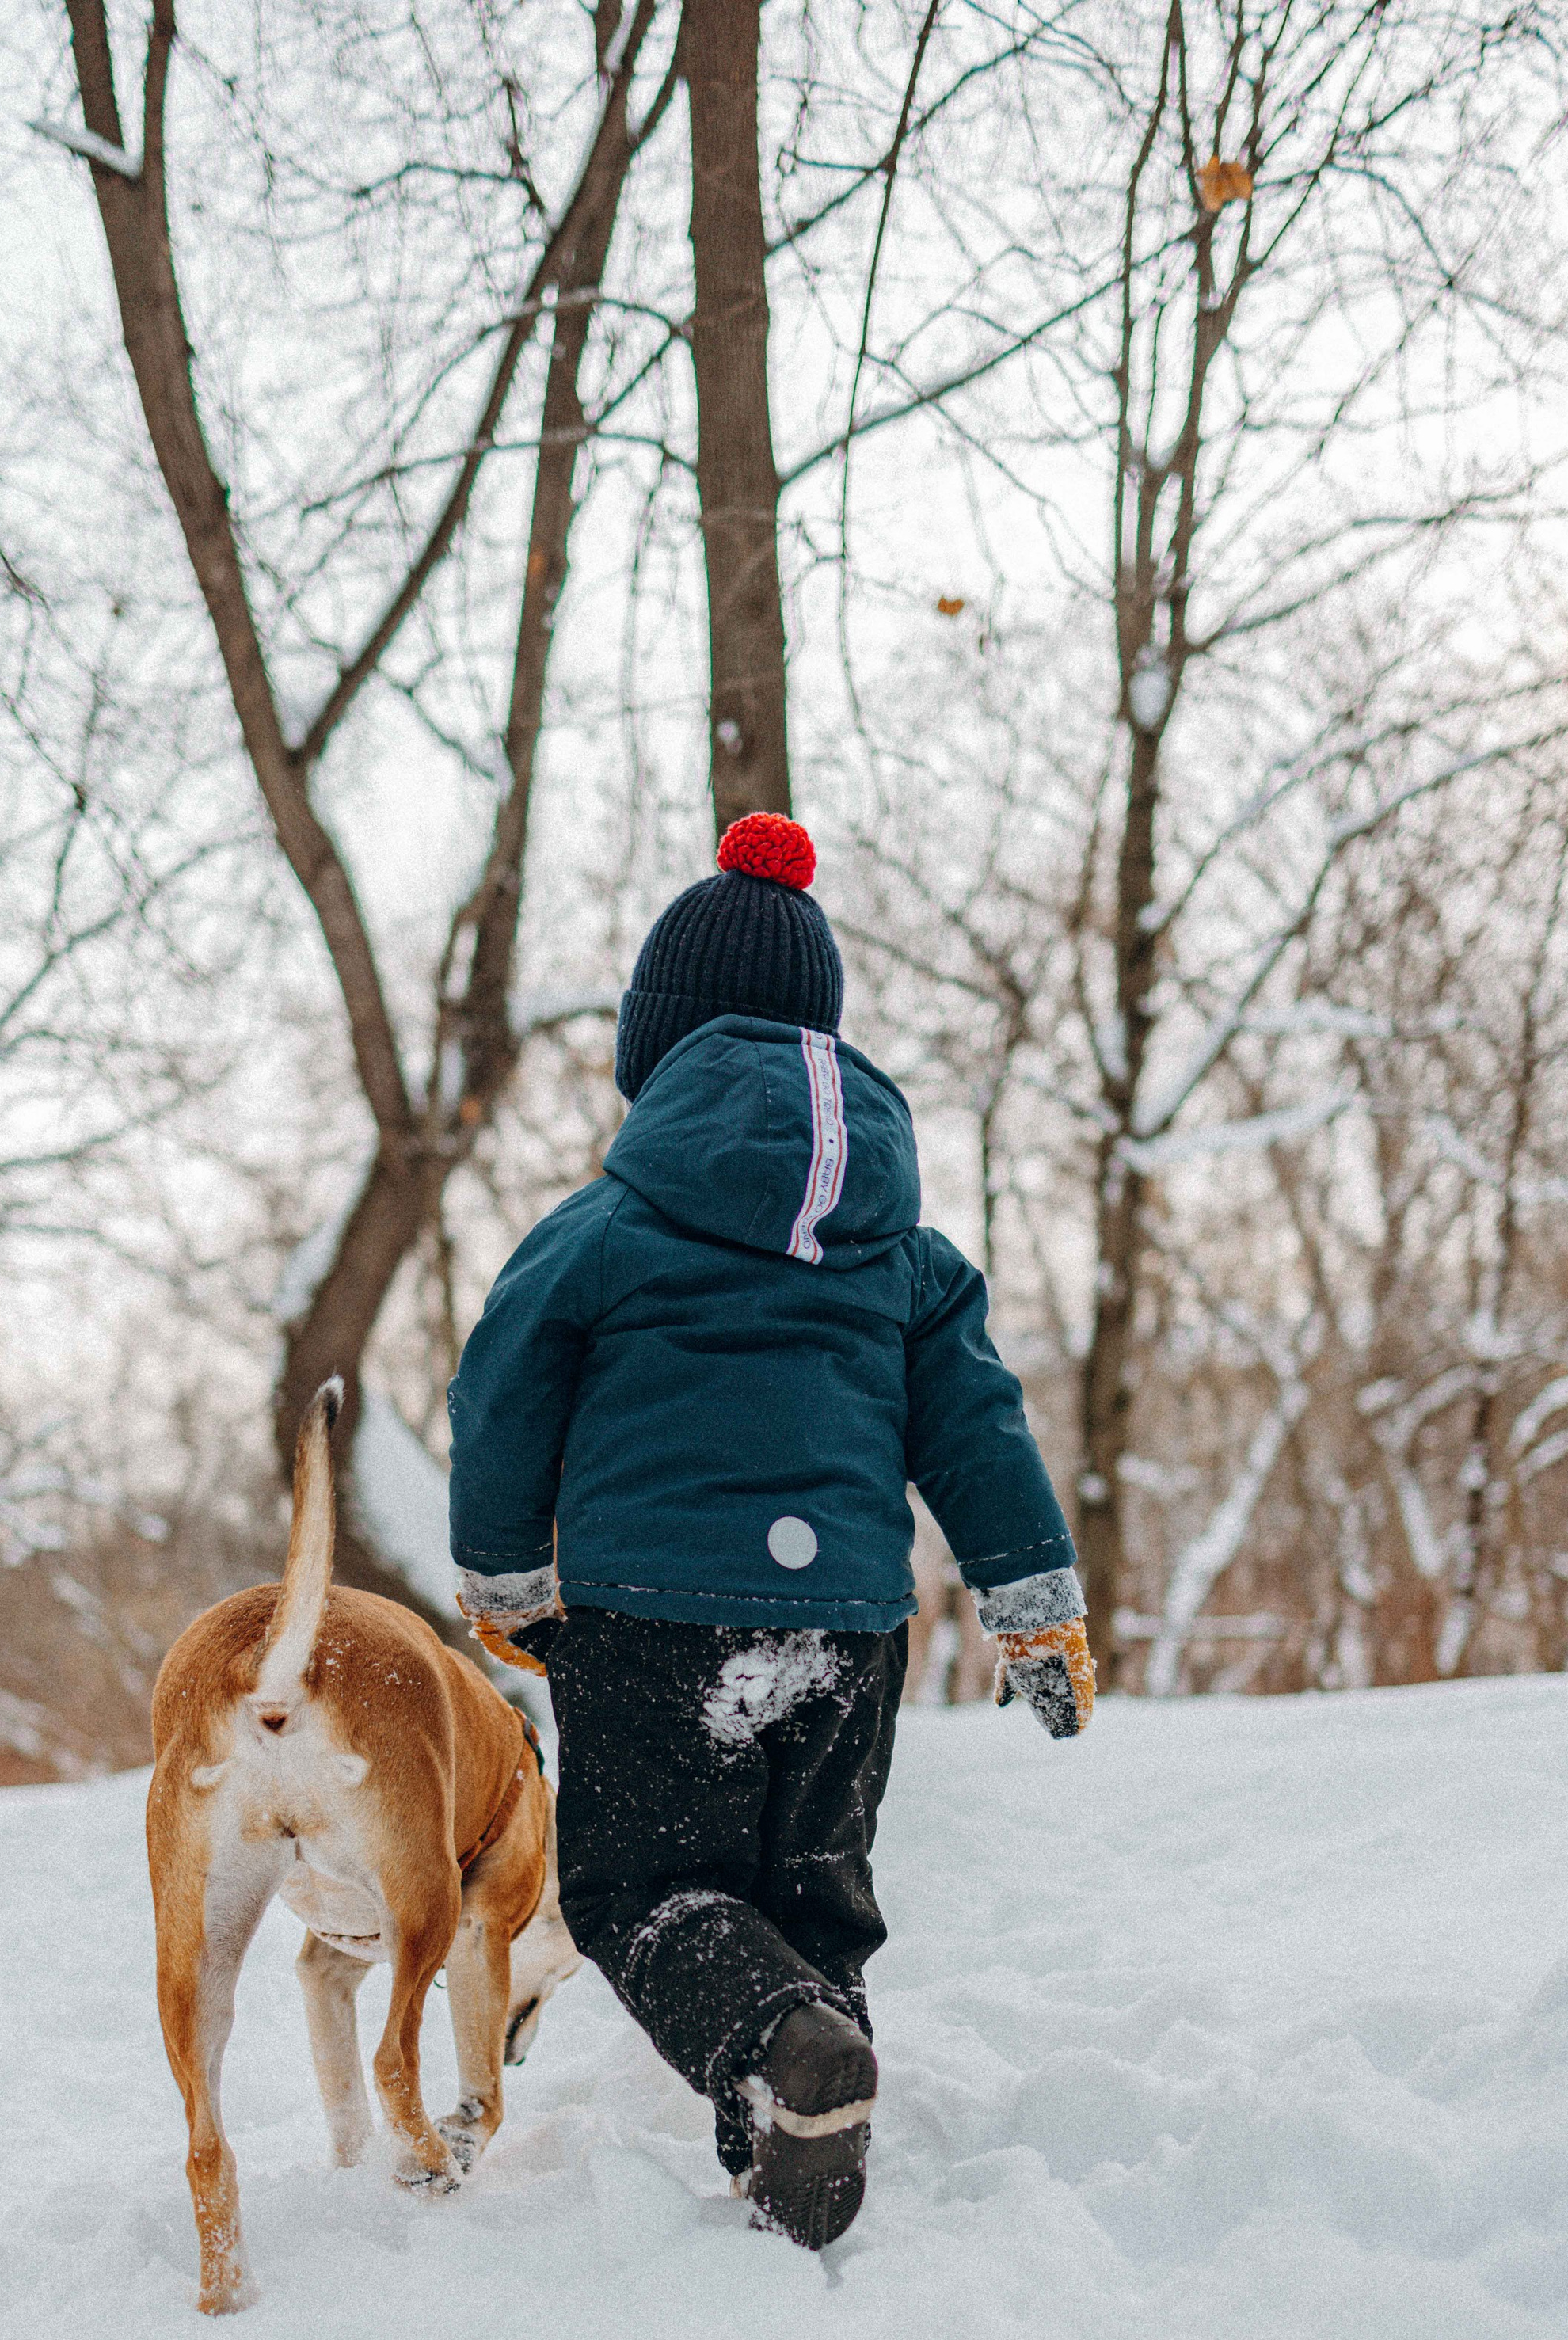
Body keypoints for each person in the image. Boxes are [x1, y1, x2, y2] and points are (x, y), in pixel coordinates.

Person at [447, 812, 1094, 2249]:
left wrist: (507, 1577)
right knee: (814, 1900)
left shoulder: (607, 1226)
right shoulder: (903, 1250)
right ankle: (795, 2145)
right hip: (852, 1629)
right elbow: (977, 1427)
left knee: (642, 1886)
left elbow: (502, 1387)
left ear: (656, 1046)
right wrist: (1034, 1604)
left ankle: (782, 2054)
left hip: (650, 1620)